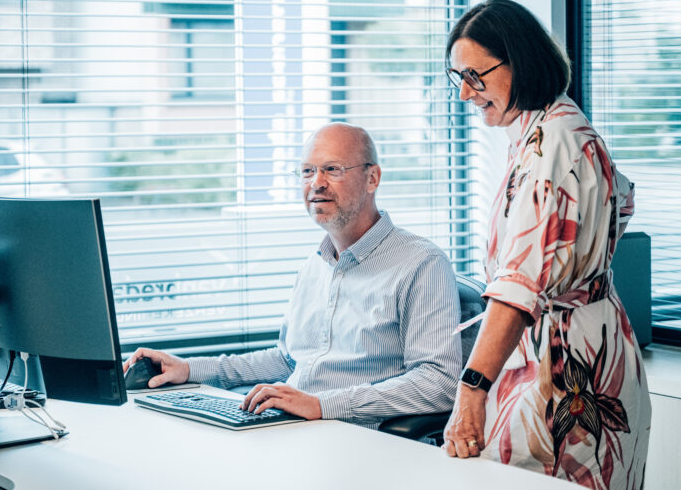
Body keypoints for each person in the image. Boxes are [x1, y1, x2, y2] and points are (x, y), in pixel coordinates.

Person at [124, 122, 462, 428]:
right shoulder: (314, 266)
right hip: (294, 430)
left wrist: (322, 405)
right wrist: (188, 369)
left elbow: (438, 383)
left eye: (332, 169)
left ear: (372, 178)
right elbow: (288, 358)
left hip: (356, 440)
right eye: (307, 171)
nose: (316, 183)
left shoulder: (422, 263)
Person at [441, 0, 651, 488]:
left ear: (521, 60)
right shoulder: (551, 128)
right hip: (584, 340)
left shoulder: (553, 145)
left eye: (477, 76)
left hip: (569, 372)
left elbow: (518, 287)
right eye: (459, 78)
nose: (467, 93)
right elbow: (623, 203)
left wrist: (471, 389)